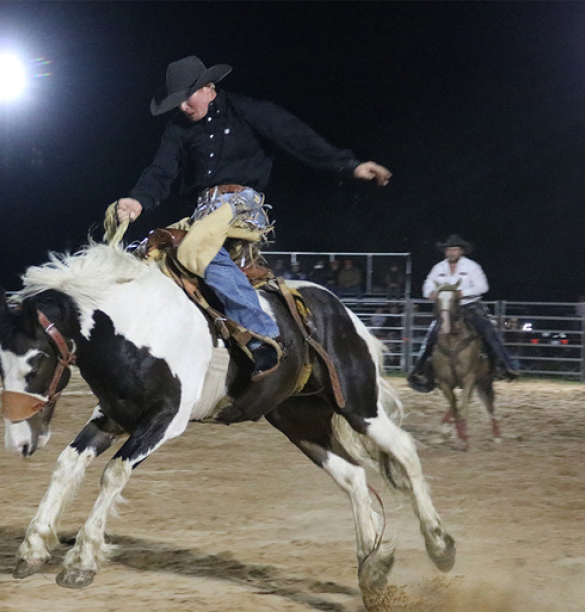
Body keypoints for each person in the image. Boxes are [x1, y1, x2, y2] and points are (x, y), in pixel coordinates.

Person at [115, 56, 392, 380]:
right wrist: (138, 199)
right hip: (202, 213)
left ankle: (264, 335)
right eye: (177, 102)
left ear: (209, 89)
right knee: (149, 251)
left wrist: (350, 165)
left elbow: (297, 137)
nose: (183, 107)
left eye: (187, 97)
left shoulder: (248, 111)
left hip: (241, 207)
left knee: (195, 250)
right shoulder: (178, 130)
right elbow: (161, 171)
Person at [407, 234, 519, 392]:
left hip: (469, 307)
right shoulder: (439, 268)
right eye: (449, 250)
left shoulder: (472, 267)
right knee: (431, 337)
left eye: (454, 250)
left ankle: (506, 366)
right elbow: (427, 284)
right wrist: (430, 293)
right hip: (447, 309)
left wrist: (461, 293)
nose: (451, 253)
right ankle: (419, 370)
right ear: (445, 252)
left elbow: (482, 287)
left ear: (461, 251)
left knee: (489, 332)